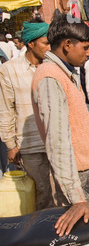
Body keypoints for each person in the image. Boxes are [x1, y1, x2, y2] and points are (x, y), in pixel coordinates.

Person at [31, 11, 89, 236]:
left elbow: (81, 126)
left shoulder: (66, 72)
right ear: (67, 44)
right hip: (78, 176)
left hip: (88, 170)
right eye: (85, 48)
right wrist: (77, 199)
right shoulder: (50, 77)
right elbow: (57, 142)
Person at [0, 19, 61, 210]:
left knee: (63, 191)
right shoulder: (10, 70)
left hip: (57, 141)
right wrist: (10, 144)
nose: (49, 47)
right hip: (30, 144)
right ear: (30, 43)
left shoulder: (54, 66)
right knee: (41, 193)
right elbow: (6, 109)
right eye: (45, 43)